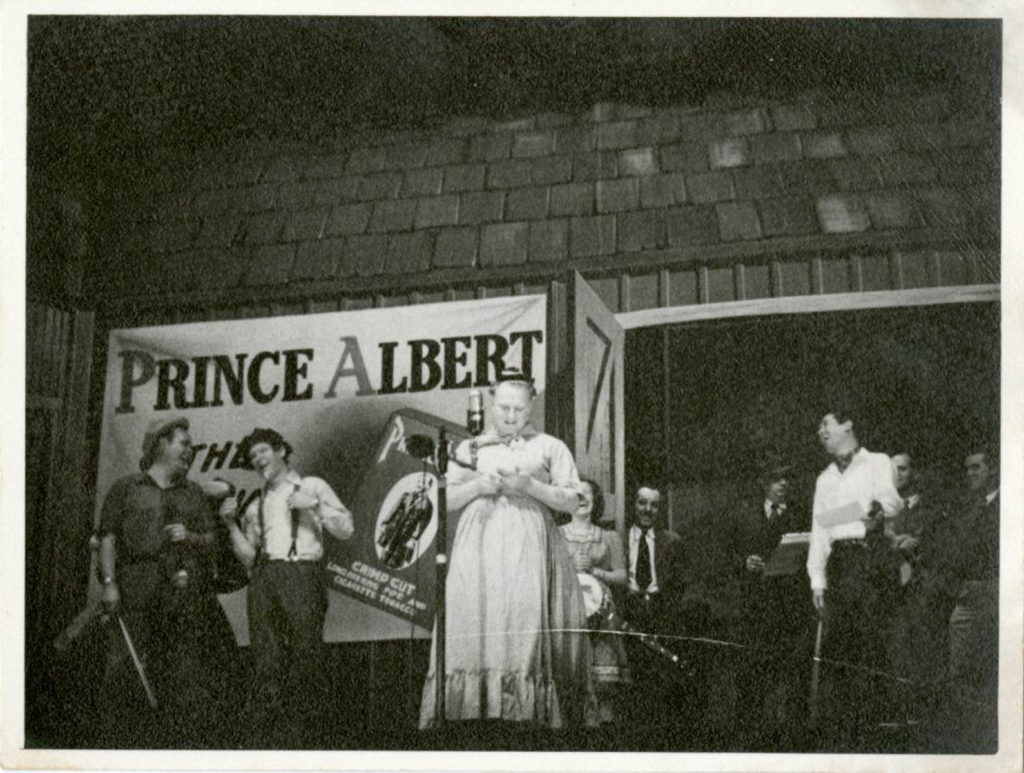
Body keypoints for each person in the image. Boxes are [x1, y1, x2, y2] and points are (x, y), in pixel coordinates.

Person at [418, 371, 595, 730]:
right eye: (503, 407)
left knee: (522, 624)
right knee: (475, 618)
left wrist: (530, 486)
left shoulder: (549, 446)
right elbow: (442, 500)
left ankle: (522, 716)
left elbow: (574, 499)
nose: (511, 415)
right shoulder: (469, 448)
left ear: (531, 408)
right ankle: (474, 712)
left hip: (528, 546)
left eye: (519, 409)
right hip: (478, 545)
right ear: (490, 404)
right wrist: (478, 487)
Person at [95, 417, 236, 748]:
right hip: (134, 588)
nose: (191, 451)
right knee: (124, 667)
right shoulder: (126, 488)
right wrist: (110, 583)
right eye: (183, 443)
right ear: (160, 443)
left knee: (181, 672)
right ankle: (114, 747)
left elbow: (212, 541)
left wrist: (190, 537)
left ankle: (172, 749)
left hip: (181, 596)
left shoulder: (194, 494)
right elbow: (107, 538)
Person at [220, 427, 354, 747]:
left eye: (263, 451)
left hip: (301, 575)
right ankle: (269, 741)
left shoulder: (312, 485)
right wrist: (230, 525)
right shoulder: (256, 502)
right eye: (253, 456)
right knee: (266, 658)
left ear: (281, 451)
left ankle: (307, 738)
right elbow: (249, 559)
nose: (258, 459)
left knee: (306, 656)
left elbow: (346, 529)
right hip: (265, 578)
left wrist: (315, 506)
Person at [806, 409, 903, 736]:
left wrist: (853, 514)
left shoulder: (877, 462)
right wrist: (817, 581)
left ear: (847, 424)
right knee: (842, 647)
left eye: (825, 424)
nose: (820, 431)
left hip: (872, 560)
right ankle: (846, 729)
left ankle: (879, 728)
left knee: (874, 643)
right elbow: (820, 530)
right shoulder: (824, 479)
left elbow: (891, 503)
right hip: (842, 563)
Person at [729, 464, 812, 747]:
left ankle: (790, 741)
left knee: (790, 675)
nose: (784, 484)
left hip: (791, 609)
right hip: (754, 608)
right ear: (764, 483)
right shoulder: (744, 514)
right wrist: (744, 562)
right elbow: (726, 554)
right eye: (777, 479)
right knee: (753, 674)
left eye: (787, 478)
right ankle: (751, 740)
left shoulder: (801, 514)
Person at [930, 448, 999, 750]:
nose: (970, 474)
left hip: (996, 592)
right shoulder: (971, 505)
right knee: (960, 666)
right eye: (967, 468)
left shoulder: (1006, 505)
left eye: (976, 467)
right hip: (969, 592)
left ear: (992, 470)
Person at [559, 478, 631, 723]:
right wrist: (570, 566)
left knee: (604, 686)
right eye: (575, 494)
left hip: (602, 617)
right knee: (568, 684)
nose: (581, 499)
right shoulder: (556, 535)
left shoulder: (609, 537)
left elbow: (622, 577)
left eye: (587, 494)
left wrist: (596, 571)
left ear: (596, 500)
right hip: (567, 613)